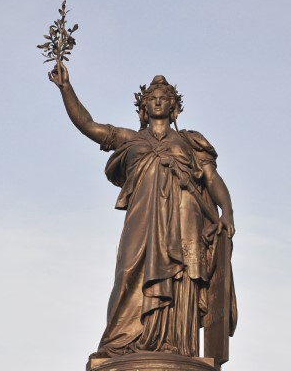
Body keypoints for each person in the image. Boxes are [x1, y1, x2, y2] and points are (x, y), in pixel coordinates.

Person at [49, 64, 237, 359]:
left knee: (180, 280)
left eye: (164, 97)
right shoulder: (131, 139)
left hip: (184, 224)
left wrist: (227, 212)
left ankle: (175, 346)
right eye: (152, 97)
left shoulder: (190, 142)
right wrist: (66, 88)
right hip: (142, 222)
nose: (158, 100)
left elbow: (212, 179)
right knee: (128, 274)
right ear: (143, 107)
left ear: (174, 107)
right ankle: (122, 342)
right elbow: (89, 125)